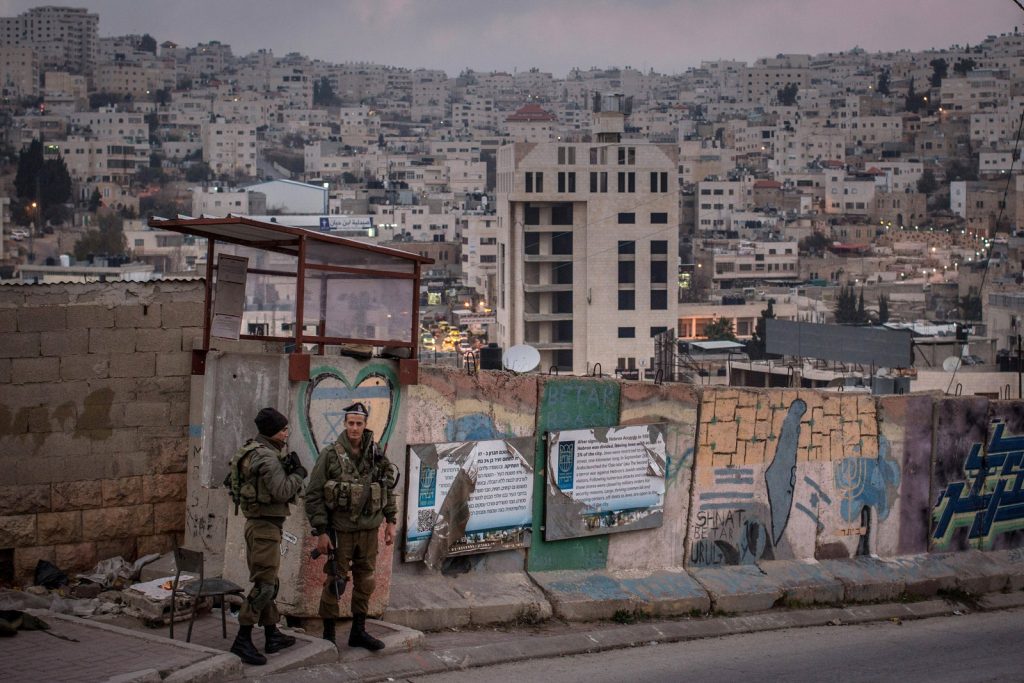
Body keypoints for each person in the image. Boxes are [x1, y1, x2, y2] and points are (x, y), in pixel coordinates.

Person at [305, 402, 399, 651]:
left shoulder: (376, 454)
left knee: (366, 581)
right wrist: (321, 531)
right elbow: (313, 495)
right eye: (350, 423)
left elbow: (387, 488)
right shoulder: (331, 454)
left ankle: (358, 631)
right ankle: (328, 636)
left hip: (369, 531)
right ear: (344, 424)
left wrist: (391, 521)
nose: (355, 428)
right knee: (335, 581)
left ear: (365, 425)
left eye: (359, 423)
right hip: (340, 531)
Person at [229, 407, 307, 666]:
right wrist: (298, 474)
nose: (287, 434)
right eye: (284, 429)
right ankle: (242, 639)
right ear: (274, 431)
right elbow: (283, 491)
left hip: (260, 525)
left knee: (270, 581)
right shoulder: (268, 458)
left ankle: (272, 633)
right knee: (264, 585)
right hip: (264, 529)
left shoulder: (252, 450)